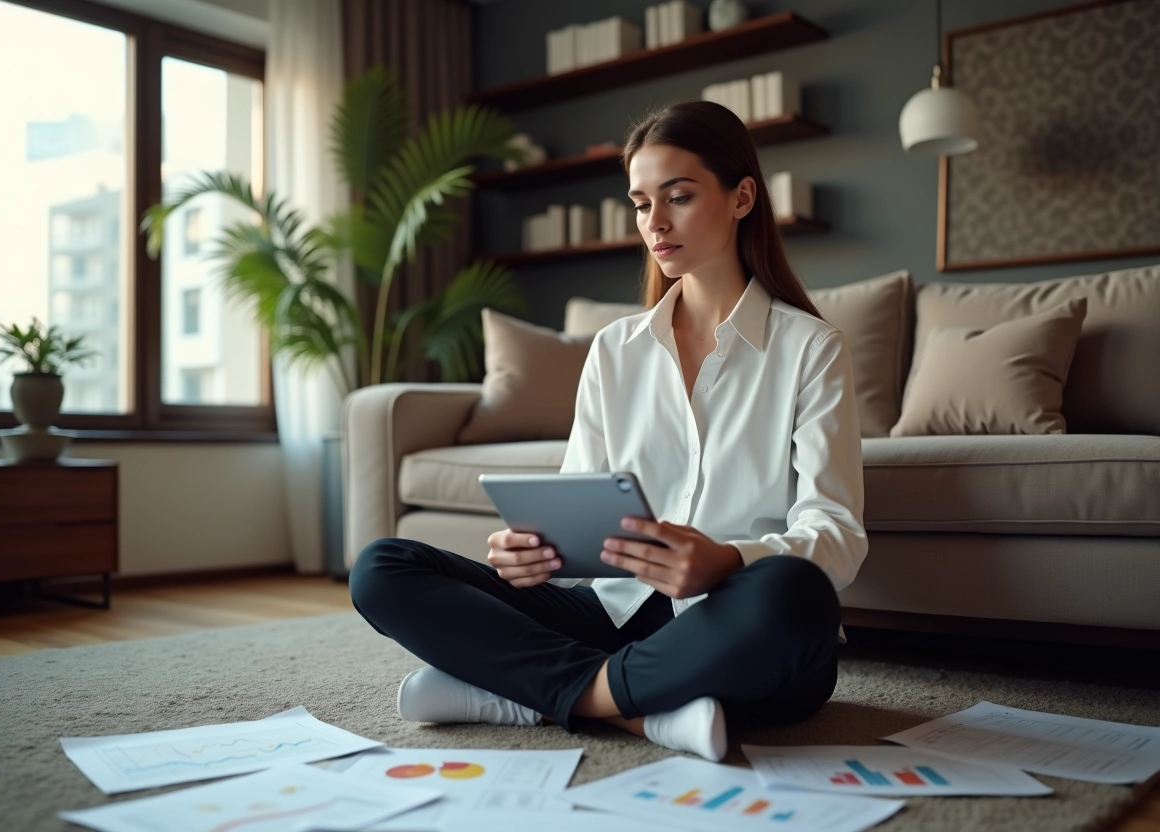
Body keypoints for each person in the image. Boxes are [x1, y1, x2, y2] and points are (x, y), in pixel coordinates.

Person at [350, 100, 867, 762]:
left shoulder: (811, 347)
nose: (655, 222)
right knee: (383, 566)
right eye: (641, 202)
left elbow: (837, 534)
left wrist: (727, 558)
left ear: (742, 198)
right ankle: (634, 709)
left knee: (794, 593)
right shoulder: (615, 349)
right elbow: (581, 500)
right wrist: (535, 551)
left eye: (677, 197)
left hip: (729, 620)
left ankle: (526, 694)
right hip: (613, 617)